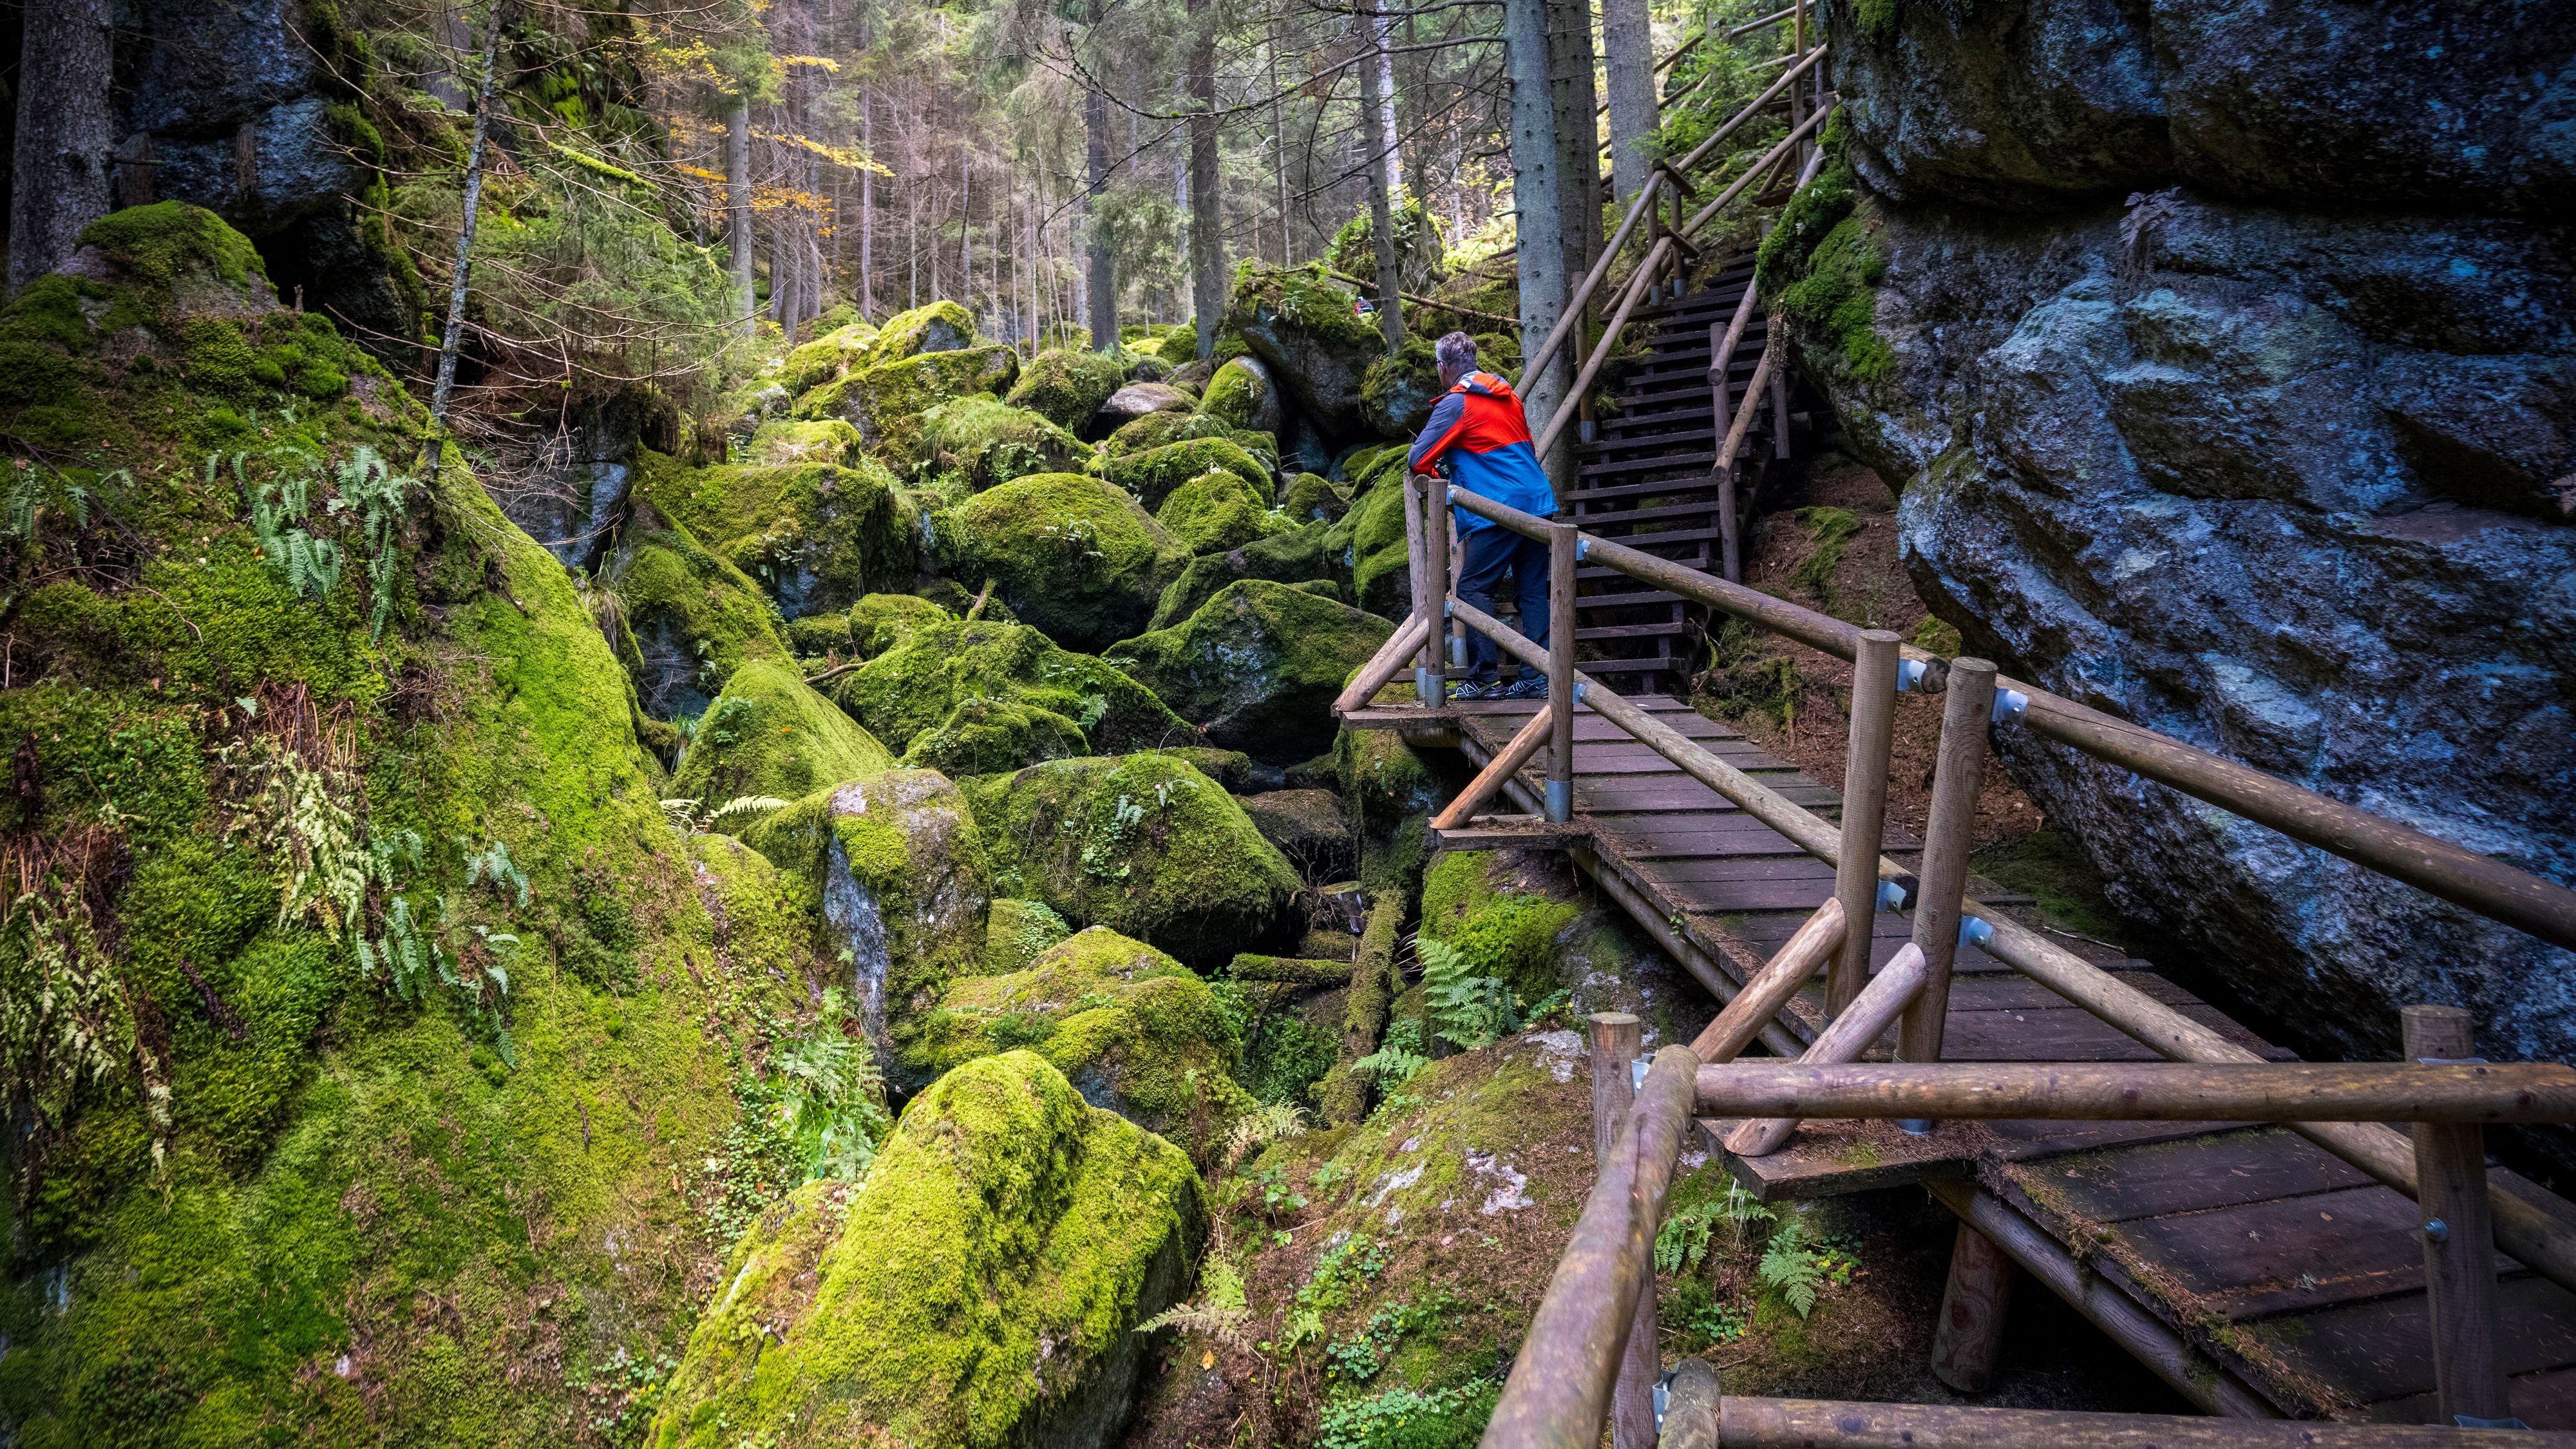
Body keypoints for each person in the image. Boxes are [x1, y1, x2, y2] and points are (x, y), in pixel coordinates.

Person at [1407, 331, 1560, 699]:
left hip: (1499, 507)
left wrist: (1441, 477)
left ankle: (1483, 678)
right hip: (1538, 500)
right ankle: (1538, 676)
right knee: (1532, 591)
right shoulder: (1509, 397)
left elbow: (1418, 459)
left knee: (1472, 588)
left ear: (1443, 368)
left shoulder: (1456, 404)